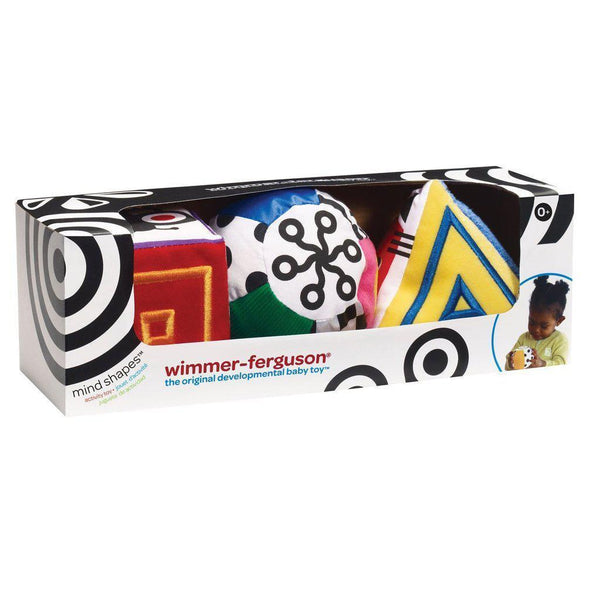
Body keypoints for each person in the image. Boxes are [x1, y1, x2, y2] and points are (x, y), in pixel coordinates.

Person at [506, 276, 569, 370]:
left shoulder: (559, 340)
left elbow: (561, 364)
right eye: (532, 322)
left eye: (544, 326)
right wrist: (511, 363)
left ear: (559, 321)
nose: (536, 330)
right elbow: (507, 367)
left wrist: (543, 364)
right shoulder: (523, 338)